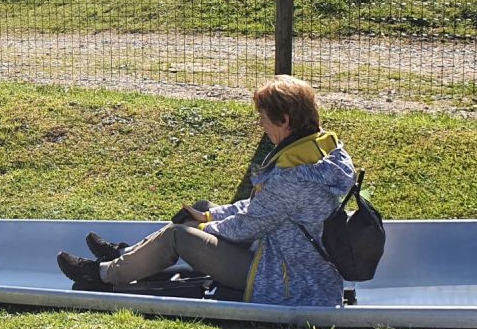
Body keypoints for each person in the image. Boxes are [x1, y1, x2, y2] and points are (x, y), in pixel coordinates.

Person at [56, 76, 356, 307]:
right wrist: (209, 213)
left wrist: (201, 224)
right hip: (287, 260)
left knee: (180, 236)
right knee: (200, 206)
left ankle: (103, 274)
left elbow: (246, 226)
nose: (261, 126)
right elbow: (260, 208)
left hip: (283, 279)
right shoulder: (317, 155)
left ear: (285, 121)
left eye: (263, 119)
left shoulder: (294, 177)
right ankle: (127, 254)